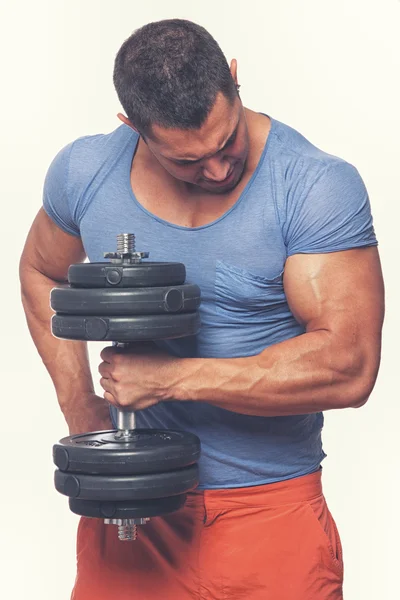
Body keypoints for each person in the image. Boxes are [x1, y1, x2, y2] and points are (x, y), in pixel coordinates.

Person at [20, 18, 384, 600]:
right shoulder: (87, 172)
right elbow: (41, 270)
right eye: (187, 161)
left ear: (235, 81)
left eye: (227, 142)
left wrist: (170, 380)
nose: (217, 170)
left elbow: (349, 364)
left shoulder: (313, 185)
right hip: (132, 513)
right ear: (132, 127)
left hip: (266, 512)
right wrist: (80, 408)